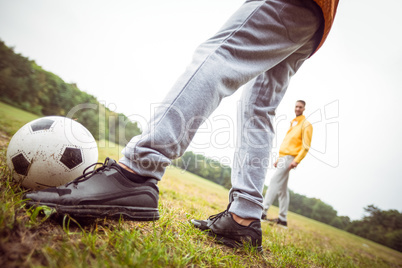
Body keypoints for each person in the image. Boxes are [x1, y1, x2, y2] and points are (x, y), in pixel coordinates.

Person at [24, 0, 339, 252]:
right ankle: (244, 218)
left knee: (220, 56)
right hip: (318, 20)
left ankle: (137, 173)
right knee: (259, 109)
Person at [261, 100, 313, 229]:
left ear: (304, 109)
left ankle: (262, 212)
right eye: (296, 106)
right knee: (282, 190)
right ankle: (283, 219)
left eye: (300, 107)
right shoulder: (293, 123)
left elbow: (306, 146)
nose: (297, 108)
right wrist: (279, 158)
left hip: (290, 158)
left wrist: (297, 160)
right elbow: (287, 142)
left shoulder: (306, 125)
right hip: (283, 157)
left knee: (274, 182)